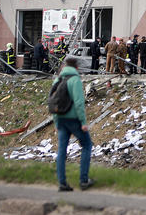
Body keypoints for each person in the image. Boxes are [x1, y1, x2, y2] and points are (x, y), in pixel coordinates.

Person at [53, 57, 94, 192]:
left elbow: (52, 103)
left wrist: (56, 122)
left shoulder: (57, 79)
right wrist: (83, 122)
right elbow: (79, 103)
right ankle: (83, 180)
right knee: (87, 145)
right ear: (76, 67)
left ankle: (62, 183)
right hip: (74, 120)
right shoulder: (75, 80)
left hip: (61, 120)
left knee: (62, 151)